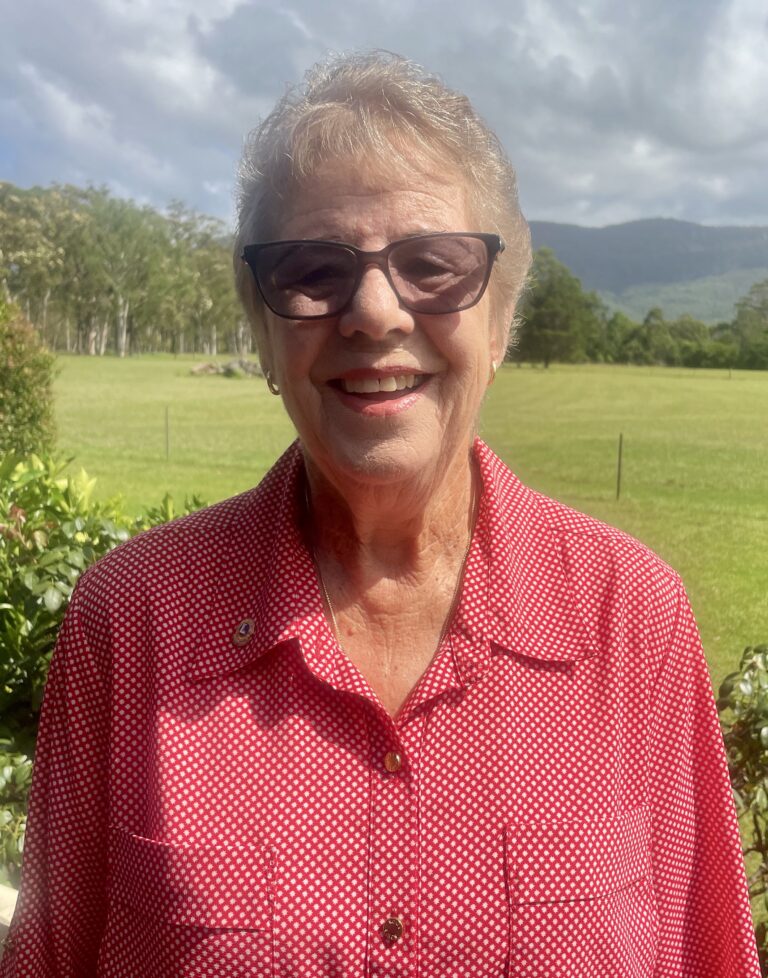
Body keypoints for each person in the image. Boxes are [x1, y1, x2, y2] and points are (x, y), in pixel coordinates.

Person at [0, 51, 760, 978]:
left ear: (500, 323)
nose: (373, 312)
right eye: (313, 270)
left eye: (432, 264)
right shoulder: (131, 621)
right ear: (263, 332)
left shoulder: (632, 617)